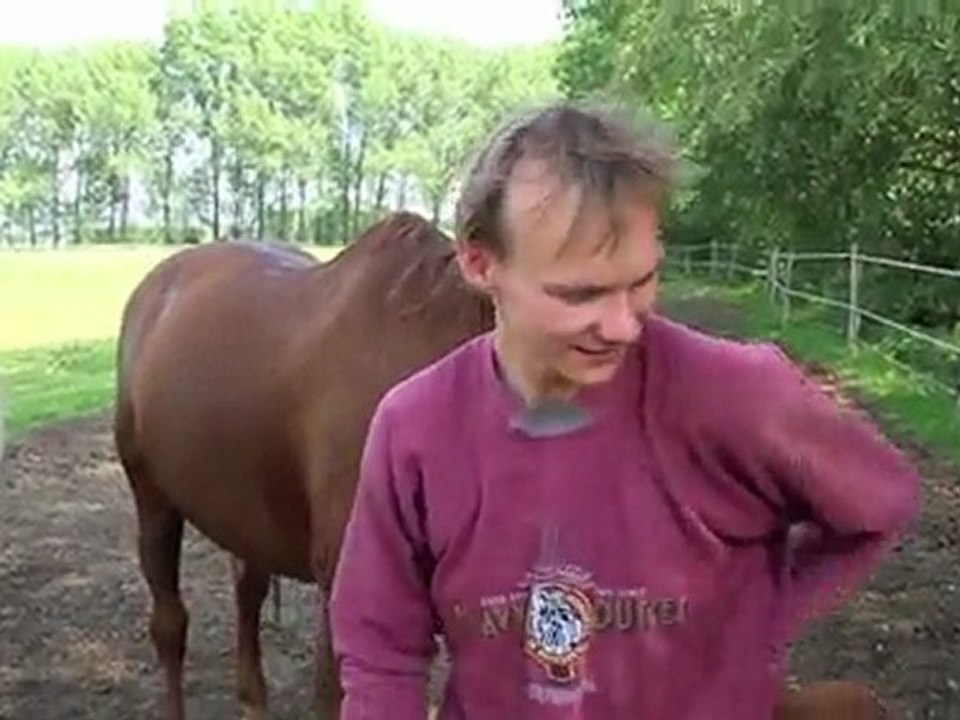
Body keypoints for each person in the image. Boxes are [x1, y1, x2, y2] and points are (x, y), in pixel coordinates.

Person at [328, 101, 920, 719]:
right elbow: (379, 648)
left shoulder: (737, 393)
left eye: (640, 282)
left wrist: (758, 625)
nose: (622, 326)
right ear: (480, 263)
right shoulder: (414, 428)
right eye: (579, 294)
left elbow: (881, 500)